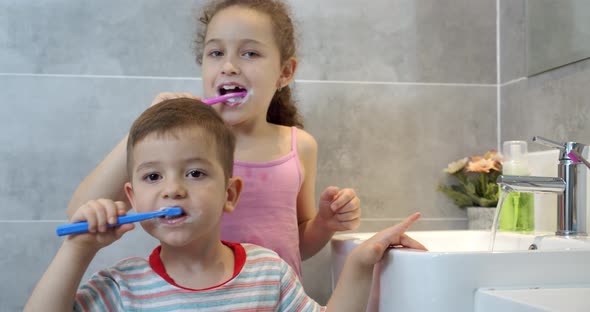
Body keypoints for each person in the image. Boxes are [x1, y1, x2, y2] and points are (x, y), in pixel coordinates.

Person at [27, 98, 425, 311]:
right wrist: (77, 251)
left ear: (230, 194)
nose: (173, 190)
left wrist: (361, 262)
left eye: (195, 173)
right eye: (153, 177)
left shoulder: (268, 274)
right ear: (131, 198)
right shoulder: (123, 287)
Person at [67, 0, 361, 277]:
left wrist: (324, 223)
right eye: (216, 53)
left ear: (285, 72)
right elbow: (80, 216)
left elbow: (295, 243)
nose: (229, 66)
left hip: (274, 300)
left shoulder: (300, 146)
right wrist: (143, 128)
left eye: (250, 53)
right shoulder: (182, 147)